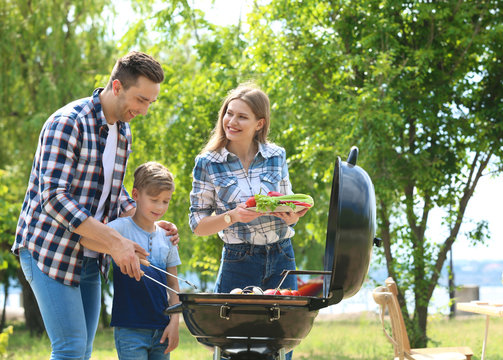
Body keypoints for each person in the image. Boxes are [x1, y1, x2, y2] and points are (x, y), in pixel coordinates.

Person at [12, 51, 178, 360]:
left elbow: (113, 195)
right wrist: (116, 242)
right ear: (117, 87)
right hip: (49, 249)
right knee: (70, 348)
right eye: (140, 100)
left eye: (150, 103)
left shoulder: (122, 131)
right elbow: (53, 197)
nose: (143, 111)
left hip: (89, 252)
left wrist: (146, 217)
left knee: (83, 350)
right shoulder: (68, 122)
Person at [189, 82, 309, 359]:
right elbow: (197, 224)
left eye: (242, 116)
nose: (231, 121)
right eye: (228, 113)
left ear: (259, 123)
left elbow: (290, 212)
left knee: (282, 346)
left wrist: (292, 216)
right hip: (238, 261)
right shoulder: (207, 163)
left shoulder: (276, 156)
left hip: (282, 258)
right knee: (235, 349)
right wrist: (233, 216)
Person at [87, 161, 181, 360]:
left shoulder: (167, 236)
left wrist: (174, 324)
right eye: (154, 199)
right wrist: (115, 246)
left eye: (166, 201)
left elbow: (173, 285)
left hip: (162, 329)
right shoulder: (120, 229)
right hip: (130, 330)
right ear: (136, 195)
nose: (160, 207)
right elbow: (86, 240)